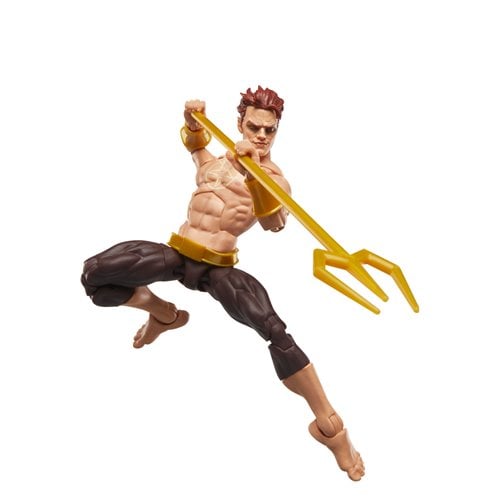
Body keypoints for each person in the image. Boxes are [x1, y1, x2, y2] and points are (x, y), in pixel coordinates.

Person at [81, 86, 364, 481]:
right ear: (240, 124)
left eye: (269, 130)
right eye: (254, 127)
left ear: (277, 131)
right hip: (177, 254)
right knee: (95, 276)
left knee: (275, 332)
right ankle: (162, 313)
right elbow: (196, 146)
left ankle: (330, 428)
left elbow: (274, 223)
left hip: (218, 269)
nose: (261, 136)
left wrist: (253, 174)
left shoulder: (274, 180)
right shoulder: (215, 164)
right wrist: (191, 122)